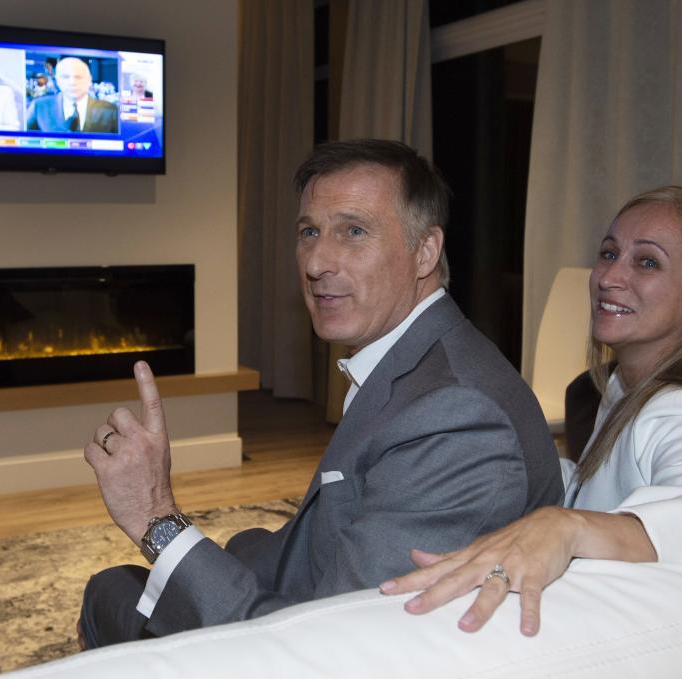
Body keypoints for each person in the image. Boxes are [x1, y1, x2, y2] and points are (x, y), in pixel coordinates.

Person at [77, 139, 563, 647]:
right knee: (197, 561)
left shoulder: (457, 415)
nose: (316, 263)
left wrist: (156, 518)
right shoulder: (416, 359)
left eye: (353, 232)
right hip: (318, 612)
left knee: (108, 591)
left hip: (319, 652)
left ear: (425, 252)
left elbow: (329, 648)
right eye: (309, 232)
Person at [380, 185, 682, 635]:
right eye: (609, 253)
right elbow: (606, 487)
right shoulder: (628, 386)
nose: (608, 277)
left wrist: (567, 527)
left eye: (647, 262)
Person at [26, 57, 118, 133]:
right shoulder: (39, 106)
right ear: (57, 80)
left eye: (78, 77)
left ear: (89, 79)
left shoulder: (111, 110)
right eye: (65, 77)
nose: (72, 82)